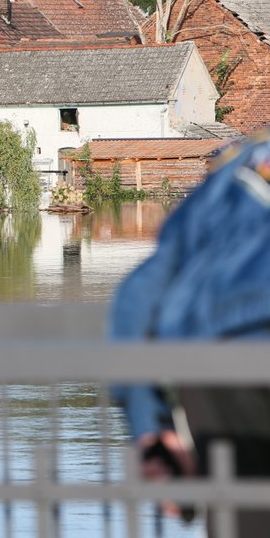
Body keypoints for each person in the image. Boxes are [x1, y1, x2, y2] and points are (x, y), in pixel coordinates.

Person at [110, 130, 270, 536]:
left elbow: (136, 297)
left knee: (242, 515)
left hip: (212, 361)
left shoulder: (234, 166)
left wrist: (150, 426)